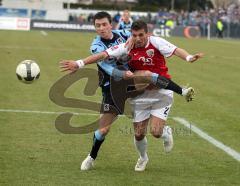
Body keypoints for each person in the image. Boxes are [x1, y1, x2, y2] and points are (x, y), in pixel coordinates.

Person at [60, 20, 203, 171]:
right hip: (140, 93)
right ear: (131, 35)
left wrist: (188, 58)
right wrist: (79, 63)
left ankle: (166, 130)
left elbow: (175, 50)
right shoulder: (126, 46)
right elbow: (103, 55)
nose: (138, 38)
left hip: (162, 92)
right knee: (139, 134)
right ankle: (143, 158)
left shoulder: (156, 42)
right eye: (135, 35)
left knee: (155, 132)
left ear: (147, 33)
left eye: (141, 35)